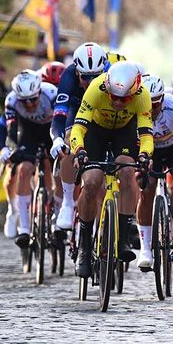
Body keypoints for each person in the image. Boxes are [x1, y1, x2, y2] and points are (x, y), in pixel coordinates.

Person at [69, 61, 153, 279]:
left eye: (123, 99)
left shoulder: (142, 96)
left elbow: (145, 134)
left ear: (134, 91)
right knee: (92, 182)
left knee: (127, 172)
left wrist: (145, 155)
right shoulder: (97, 88)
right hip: (95, 131)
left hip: (124, 132)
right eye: (113, 97)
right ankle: (85, 247)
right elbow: (78, 128)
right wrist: (78, 150)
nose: (117, 102)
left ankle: (123, 236)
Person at [50, 42, 124, 231]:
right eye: (85, 78)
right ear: (77, 72)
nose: (90, 83)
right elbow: (59, 116)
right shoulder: (68, 77)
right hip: (77, 109)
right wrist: (56, 138)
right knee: (68, 141)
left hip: (104, 112)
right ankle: (67, 202)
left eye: (95, 77)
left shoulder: (114, 73)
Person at [136, 74, 173, 268]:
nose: (152, 109)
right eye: (147, 104)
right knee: (146, 191)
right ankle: (145, 248)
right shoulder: (135, 108)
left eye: (155, 104)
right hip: (148, 149)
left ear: (162, 99)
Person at [0, 69, 60, 248]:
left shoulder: (51, 94)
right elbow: (11, 132)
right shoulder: (11, 101)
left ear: (39, 92)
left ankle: (56, 215)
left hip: (50, 129)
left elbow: (61, 122)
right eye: (24, 101)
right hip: (29, 132)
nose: (30, 104)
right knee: (24, 169)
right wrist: (9, 148)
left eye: (33, 99)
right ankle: (24, 228)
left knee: (56, 166)